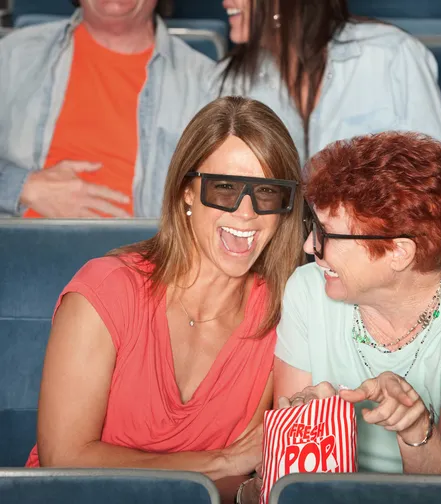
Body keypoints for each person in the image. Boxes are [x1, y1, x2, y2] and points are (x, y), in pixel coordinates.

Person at [25, 97, 305, 503]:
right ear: (186, 192)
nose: (247, 213)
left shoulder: (280, 314)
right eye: (224, 188)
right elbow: (64, 460)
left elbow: (246, 482)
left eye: (267, 192)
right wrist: (223, 461)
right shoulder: (106, 290)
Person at [270, 132, 441, 480]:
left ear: (399, 252)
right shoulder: (308, 290)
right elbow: (292, 476)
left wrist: (416, 427)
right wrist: (306, 422)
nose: (310, 246)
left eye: (327, 234)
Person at [216, 0, 441, 217]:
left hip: (378, 262)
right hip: (273, 264)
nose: (225, 1)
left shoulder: (390, 55)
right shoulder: (227, 81)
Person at [0, 0, 215, 218]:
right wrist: (24, 186)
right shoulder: (12, 55)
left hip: (145, 249)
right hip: (17, 244)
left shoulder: (207, 85)